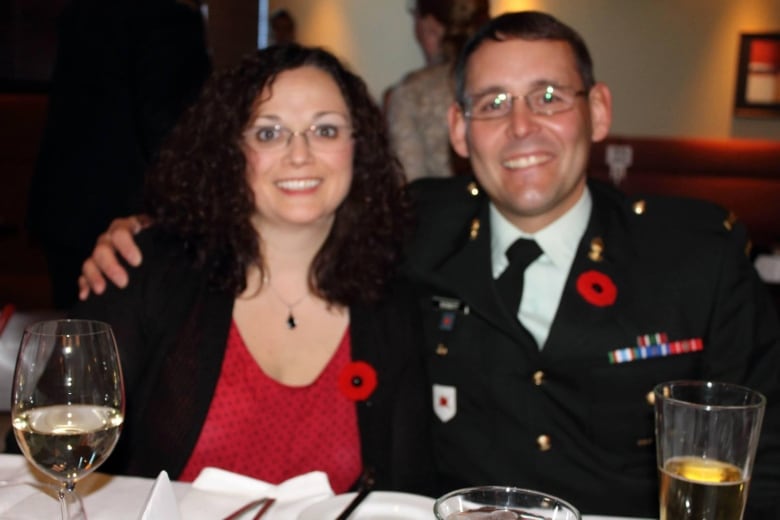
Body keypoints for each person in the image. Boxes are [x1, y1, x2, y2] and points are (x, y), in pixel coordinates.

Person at [75, 11, 780, 518]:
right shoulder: (416, 239)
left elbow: (768, 453)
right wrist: (146, 229)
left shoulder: (694, 257)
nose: (522, 127)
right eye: (493, 103)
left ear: (597, 112)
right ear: (456, 130)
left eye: (548, 98)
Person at [50, 44, 435, 495]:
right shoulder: (146, 267)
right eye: (269, 134)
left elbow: (410, 489)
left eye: (325, 130)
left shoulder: (393, 301)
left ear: (358, 146)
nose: (300, 155)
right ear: (230, 149)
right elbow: (51, 449)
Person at [26, 0, 211, 309]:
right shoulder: (170, 19)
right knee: (125, 341)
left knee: (81, 333)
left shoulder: (81, 12)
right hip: (126, 220)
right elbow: (173, 131)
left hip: (64, 209)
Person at [384, 0, 489, 180]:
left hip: (440, 205)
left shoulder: (411, 93)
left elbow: (411, 187)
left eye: (414, 14)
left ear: (430, 26)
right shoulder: (499, 80)